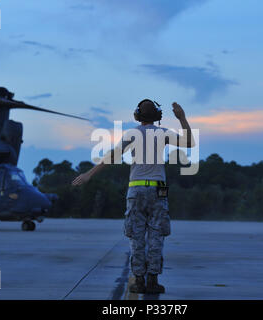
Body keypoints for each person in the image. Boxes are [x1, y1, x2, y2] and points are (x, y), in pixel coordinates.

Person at [72, 99, 195, 294]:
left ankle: (139, 280)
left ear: (137, 115)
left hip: (136, 191)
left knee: (137, 237)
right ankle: (153, 280)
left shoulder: (133, 134)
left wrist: (89, 174)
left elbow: (112, 156)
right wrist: (182, 118)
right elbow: (189, 142)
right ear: (157, 116)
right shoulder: (162, 133)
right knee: (156, 236)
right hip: (158, 190)